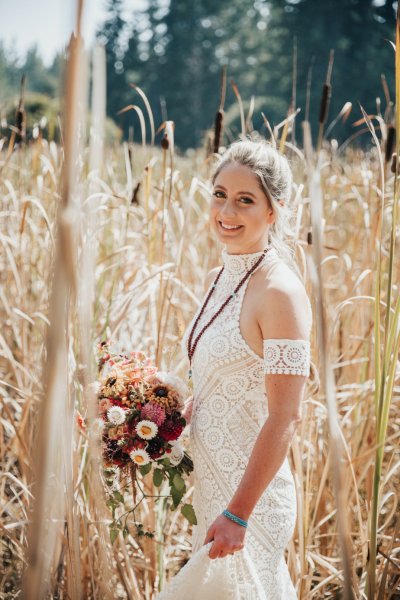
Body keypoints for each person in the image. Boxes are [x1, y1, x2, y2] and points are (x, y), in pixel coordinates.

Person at [157, 137, 313, 599]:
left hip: (250, 502)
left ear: (274, 211)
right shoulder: (216, 279)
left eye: (246, 200)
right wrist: (140, 415)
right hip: (211, 490)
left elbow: (285, 416)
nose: (227, 209)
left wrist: (239, 513)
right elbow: (211, 381)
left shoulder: (280, 292)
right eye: (220, 194)